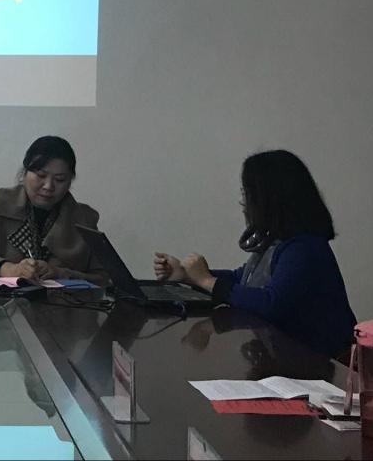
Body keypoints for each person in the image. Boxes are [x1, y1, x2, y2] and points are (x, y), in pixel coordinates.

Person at [153, 149, 356, 359]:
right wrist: (187, 275)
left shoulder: (304, 248)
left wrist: (206, 280)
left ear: (269, 200)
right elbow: (241, 278)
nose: (243, 204)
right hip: (290, 357)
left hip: (323, 365)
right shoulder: (277, 242)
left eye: (247, 195)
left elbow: (270, 303)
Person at [0, 136, 107, 284]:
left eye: (60, 179)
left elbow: (103, 278)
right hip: (2, 297)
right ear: (24, 173)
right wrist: (9, 269)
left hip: (65, 298)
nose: (48, 186)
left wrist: (61, 273)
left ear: (70, 181)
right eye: (41, 176)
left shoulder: (84, 218)